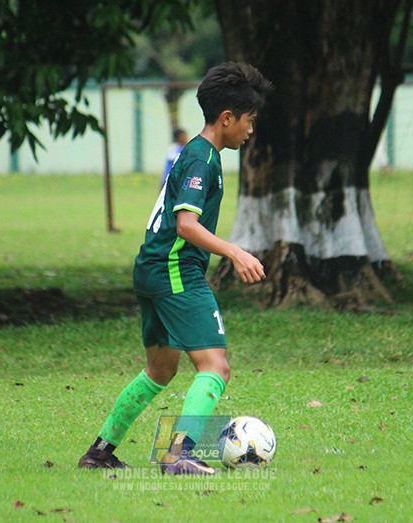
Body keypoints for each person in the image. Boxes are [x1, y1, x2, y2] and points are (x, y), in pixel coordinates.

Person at [78, 62, 274, 475]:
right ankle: (179, 454)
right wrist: (235, 253)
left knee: (161, 369)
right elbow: (186, 225)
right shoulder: (202, 159)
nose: (251, 129)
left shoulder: (195, 153)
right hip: (174, 270)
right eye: (248, 120)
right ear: (227, 118)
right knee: (215, 366)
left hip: (150, 267)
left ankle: (99, 452)